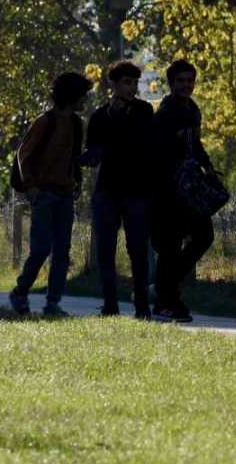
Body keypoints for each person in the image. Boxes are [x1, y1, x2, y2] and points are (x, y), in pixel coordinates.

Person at [9, 72, 93, 317]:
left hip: (65, 194)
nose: (85, 100)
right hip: (44, 194)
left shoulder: (76, 124)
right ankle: (21, 291)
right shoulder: (45, 122)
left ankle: (52, 303)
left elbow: (73, 156)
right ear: (72, 96)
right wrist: (30, 186)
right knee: (40, 249)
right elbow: (23, 154)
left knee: (62, 253)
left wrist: (77, 179)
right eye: (82, 95)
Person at [81, 61, 155, 319]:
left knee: (138, 249)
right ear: (112, 84)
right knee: (105, 250)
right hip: (108, 189)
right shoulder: (100, 117)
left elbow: (146, 142)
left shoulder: (144, 111)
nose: (132, 88)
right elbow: (93, 151)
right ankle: (110, 304)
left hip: (136, 190)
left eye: (134, 83)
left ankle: (142, 306)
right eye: (126, 82)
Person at [150, 59, 216, 323]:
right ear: (171, 83)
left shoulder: (193, 110)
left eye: (190, 80)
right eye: (180, 81)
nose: (186, 85)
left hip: (191, 188)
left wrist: (207, 166)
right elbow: (157, 153)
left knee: (204, 236)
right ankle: (167, 302)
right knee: (170, 246)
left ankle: (164, 290)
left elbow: (195, 144)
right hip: (168, 189)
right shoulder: (164, 115)